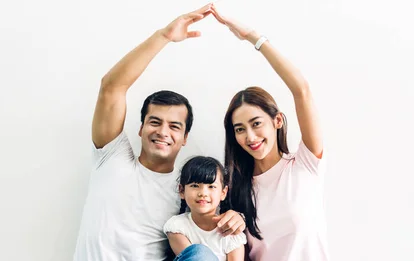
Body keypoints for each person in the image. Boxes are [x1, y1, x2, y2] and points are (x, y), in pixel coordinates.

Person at [73, 4, 246, 261]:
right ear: (141, 128)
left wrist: (236, 217)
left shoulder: (184, 186)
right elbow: (111, 88)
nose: (163, 131)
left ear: (185, 137)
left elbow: (208, 215)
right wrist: (163, 36)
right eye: (155, 122)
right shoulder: (111, 156)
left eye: (174, 126)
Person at [210, 5, 330, 261]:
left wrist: (252, 36)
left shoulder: (305, 165)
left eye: (256, 123)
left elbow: (302, 90)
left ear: (277, 120)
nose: (250, 137)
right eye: (239, 129)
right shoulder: (234, 190)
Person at [163, 156, 247, 261]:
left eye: (211, 186)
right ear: (182, 191)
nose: (203, 193)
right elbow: (193, 258)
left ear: (223, 192)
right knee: (200, 253)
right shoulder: (177, 226)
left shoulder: (231, 233)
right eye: (195, 185)